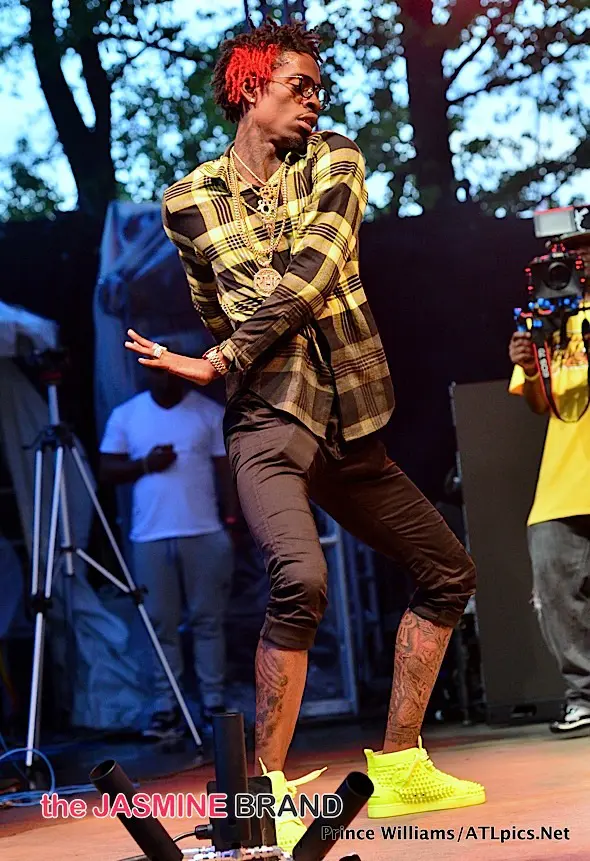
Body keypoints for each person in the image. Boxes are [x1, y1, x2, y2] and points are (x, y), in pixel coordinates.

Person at [125, 19, 485, 850]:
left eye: (321, 90)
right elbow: (220, 301)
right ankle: (263, 793)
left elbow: (311, 276)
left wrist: (220, 360)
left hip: (348, 416)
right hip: (268, 419)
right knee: (301, 575)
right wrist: (236, 356)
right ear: (251, 87)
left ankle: (400, 764)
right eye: (301, 87)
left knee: (447, 570)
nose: (316, 102)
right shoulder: (187, 203)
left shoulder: (336, 160)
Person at [99, 359, 237, 741]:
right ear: (146, 373)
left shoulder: (208, 412)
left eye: (169, 369)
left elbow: (226, 470)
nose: (164, 376)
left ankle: (213, 703)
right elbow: (106, 471)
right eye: (157, 370)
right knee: (160, 624)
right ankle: (167, 707)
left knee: (208, 621)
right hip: (151, 536)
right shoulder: (127, 415)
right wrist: (146, 464)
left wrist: (231, 521)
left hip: (204, 531)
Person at [509, 239, 590, 738]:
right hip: (564, 478)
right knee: (557, 589)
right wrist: (529, 361)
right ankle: (584, 696)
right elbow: (541, 403)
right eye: (575, 253)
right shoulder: (551, 320)